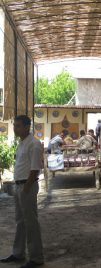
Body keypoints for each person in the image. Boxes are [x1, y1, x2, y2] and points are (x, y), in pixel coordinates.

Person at [0, 115, 44, 268]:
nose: (15, 128)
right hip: (20, 186)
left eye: (18, 125)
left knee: (31, 222)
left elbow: (35, 169)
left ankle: (36, 258)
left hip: (27, 186)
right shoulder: (22, 143)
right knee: (20, 221)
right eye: (15, 125)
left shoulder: (34, 144)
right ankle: (18, 253)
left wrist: (26, 188)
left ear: (27, 126)